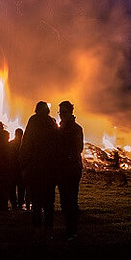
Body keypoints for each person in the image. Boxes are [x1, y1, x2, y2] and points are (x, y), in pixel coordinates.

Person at [19, 101, 59, 228]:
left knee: (36, 197)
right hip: (48, 167)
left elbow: (25, 143)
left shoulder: (34, 121)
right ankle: (48, 223)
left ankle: (37, 222)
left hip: (36, 166)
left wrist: (24, 163)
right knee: (48, 199)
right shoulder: (51, 122)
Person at [57, 100, 83, 241]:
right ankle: (68, 230)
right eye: (60, 113)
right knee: (64, 200)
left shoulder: (75, 129)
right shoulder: (61, 128)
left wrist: (65, 156)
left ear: (70, 113)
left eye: (64, 113)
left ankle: (73, 231)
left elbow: (77, 149)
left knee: (71, 200)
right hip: (63, 169)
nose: (61, 115)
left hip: (71, 168)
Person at [7, 127, 25, 210]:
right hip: (19, 168)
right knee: (20, 187)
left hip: (13, 168)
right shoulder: (25, 144)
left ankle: (15, 203)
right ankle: (19, 203)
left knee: (13, 187)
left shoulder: (11, 143)